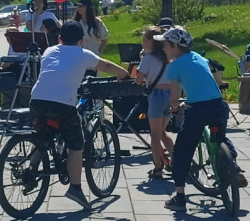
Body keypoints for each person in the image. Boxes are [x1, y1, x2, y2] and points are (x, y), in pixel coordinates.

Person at [28, 21, 131, 210]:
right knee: (77, 146)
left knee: (42, 137)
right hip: (62, 105)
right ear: (81, 41)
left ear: (59, 38)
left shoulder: (49, 51)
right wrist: (124, 74)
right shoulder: (83, 54)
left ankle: (29, 169)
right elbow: (106, 65)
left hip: (37, 100)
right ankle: (75, 188)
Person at [157, 26, 241, 212]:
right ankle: (233, 166)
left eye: (165, 44)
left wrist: (175, 106)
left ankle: (179, 197)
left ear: (175, 46)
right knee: (221, 138)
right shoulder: (199, 57)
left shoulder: (175, 66)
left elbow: (174, 96)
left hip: (198, 109)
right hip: (218, 105)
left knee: (182, 151)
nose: (163, 48)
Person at [134, 26, 174, 180]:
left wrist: (141, 80)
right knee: (164, 133)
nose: (142, 44)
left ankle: (158, 167)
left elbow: (138, 80)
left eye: (143, 40)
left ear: (150, 42)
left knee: (155, 135)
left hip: (156, 95)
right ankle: (175, 161)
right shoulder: (168, 57)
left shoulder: (147, 59)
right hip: (171, 95)